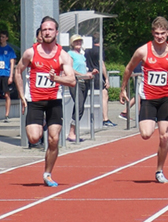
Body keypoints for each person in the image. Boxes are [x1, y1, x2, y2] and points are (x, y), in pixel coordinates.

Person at [119, 16, 168, 183]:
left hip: (166, 98)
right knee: (146, 134)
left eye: (162, 33)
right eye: (156, 34)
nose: (159, 36)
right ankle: (152, 120)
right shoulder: (143, 51)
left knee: (164, 137)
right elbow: (128, 68)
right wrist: (123, 88)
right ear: (152, 33)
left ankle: (159, 170)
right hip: (148, 97)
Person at [15, 16, 76, 187]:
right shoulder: (31, 53)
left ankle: (47, 173)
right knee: (34, 138)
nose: (47, 32)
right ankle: (39, 124)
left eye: (50, 29)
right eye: (44, 30)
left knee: (54, 140)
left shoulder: (63, 56)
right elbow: (18, 71)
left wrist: (56, 78)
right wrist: (21, 95)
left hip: (54, 101)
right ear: (40, 33)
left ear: (56, 32)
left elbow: (71, 81)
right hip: (34, 100)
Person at [67, 34, 99, 142]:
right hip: (76, 81)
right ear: (72, 43)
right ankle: (71, 132)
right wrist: (82, 74)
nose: (78, 43)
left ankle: (74, 131)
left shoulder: (81, 55)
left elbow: (83, 70)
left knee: (81, 107)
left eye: (80, 41)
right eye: (76, 42)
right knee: (79, 106)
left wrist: (90, 73)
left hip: (84, 81)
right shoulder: (70, 54)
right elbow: (70, 69)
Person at [85, 32, 117, 127]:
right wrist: (106, 78)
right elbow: (101, 64)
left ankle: (93, 118)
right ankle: (105, 119)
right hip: (98, 75)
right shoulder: (99, 50)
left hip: (89, 74)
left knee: (91, 97)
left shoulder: (87, 50)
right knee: (104, 95)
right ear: (101, 40)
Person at [0, 30, 17, 122]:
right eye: (0, 37)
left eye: (3, 37)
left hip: (5, 74)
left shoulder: (9, 49)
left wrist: (11, 76)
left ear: (6, 38)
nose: (1, 39)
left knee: (7, 94)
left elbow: (12, 63)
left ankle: (7, 114)